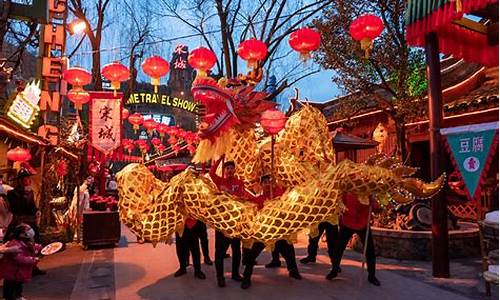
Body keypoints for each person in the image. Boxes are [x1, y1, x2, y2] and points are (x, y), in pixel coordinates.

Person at [241, 175, 302, 289]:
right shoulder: (258, 199)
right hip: (263, 232)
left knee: (288, 249)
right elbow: (247, 203)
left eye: (269, 182)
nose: (267, 184)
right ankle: (246, 277)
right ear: (261, 185)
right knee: (252, 252)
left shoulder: (279, 195)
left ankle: (293, 270)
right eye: (264, 182)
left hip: (278, 232)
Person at [210, 158, 252, 288]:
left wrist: (230, 193)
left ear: (234, 170)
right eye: (227, 168)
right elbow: (211, 173)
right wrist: (219, 159)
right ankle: (220, 277)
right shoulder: (219, 181)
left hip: (235, 222)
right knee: (219, 252)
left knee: (236, 250)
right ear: (224, 170)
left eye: (231, 168)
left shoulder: (239, 182)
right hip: (222, 222)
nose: (229, 170)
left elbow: (243, 197)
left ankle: (235, 274)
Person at [326, 193, 380, 286]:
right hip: (347, 223)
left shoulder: (368, 192)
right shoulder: (347, 191)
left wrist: (374, 205)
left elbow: (377, 209)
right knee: (339, 249)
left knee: (369, 250)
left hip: (363, 224)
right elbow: (340, 203)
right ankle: (334, 270)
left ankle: (372, 276)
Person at [6, 168, 46, 276]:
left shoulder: (30, 193)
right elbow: (14, 208)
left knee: (35, 244)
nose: (29, 180)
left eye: (28, 178)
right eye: (26, 178)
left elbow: (33, 207)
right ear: (21, 180)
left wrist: (37, 211)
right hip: (19, 223)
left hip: (31, 222)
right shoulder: (12, 193)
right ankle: (18, 268)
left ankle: (33, 266)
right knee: (20, 246)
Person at [0, 223, 41, 300]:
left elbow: (31, 248)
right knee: (11, 286)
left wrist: (39, 248)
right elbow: (19, 258)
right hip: (12, 272)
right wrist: (32, 259)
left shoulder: (25, 241)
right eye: (28, 229)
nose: (31, 230)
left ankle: (18, 296)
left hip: (18, 272)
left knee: (18, 284)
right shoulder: (15, 244)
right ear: (22, 234)